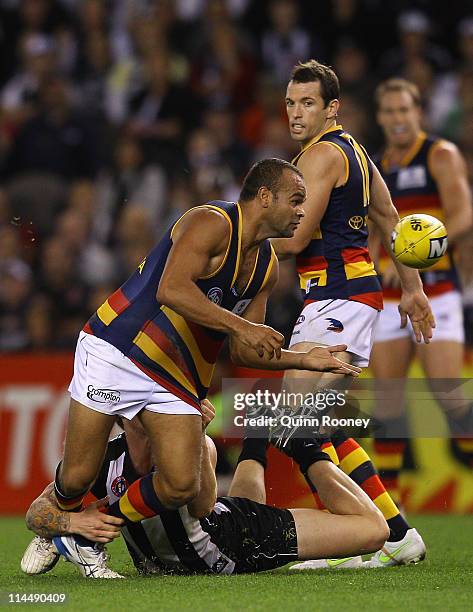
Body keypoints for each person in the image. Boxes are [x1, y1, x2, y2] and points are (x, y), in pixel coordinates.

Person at [50, 158, 361, 571]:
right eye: (296, 200)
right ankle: (56, 527)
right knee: (75, 478)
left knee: (182, 484)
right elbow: (171, 288)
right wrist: (242, 327)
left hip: (171, 372)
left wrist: (306, 358)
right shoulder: (212, 221)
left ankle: (85, 531)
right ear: (265, 197)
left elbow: (247, 350)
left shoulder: (265, 265)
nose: (303, 211)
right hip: (115, 348)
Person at [267, 60, 435, 569]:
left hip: (336, 298)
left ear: (331, 107)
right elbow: (390, 219)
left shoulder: (319, 156)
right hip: (351, 299)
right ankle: (390, 535)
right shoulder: (355, 152)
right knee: (313, 426)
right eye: (291, 103)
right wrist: (413, 289)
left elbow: (293, 240)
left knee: (296, 426)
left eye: (308, 103)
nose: (297, 113)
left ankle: (363, 537)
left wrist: (236, 235)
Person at [21, 401, 389, 578]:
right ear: (122, 415)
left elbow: (202, 506)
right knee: (243, 502)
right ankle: (260, 434)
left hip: (235, 541)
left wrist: (195, 433)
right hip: (197, 545)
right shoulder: (100, 460)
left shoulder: (194, 446)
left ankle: (301, 445)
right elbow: (36, 513)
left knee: (373, 531)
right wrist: (73, 525)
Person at [370, 78, 473, 498]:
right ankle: (391, 518)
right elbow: (375, 231)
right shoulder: (375, 167)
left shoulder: (440, 155)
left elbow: (464, 216)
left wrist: (413, 254)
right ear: (379, 117)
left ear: (419, 113)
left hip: (437, 290)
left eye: (404, 110)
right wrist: (382, 261)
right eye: (389, 111)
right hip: (389, 299)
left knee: (450, 396)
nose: (397, 119)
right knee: (388, 404)